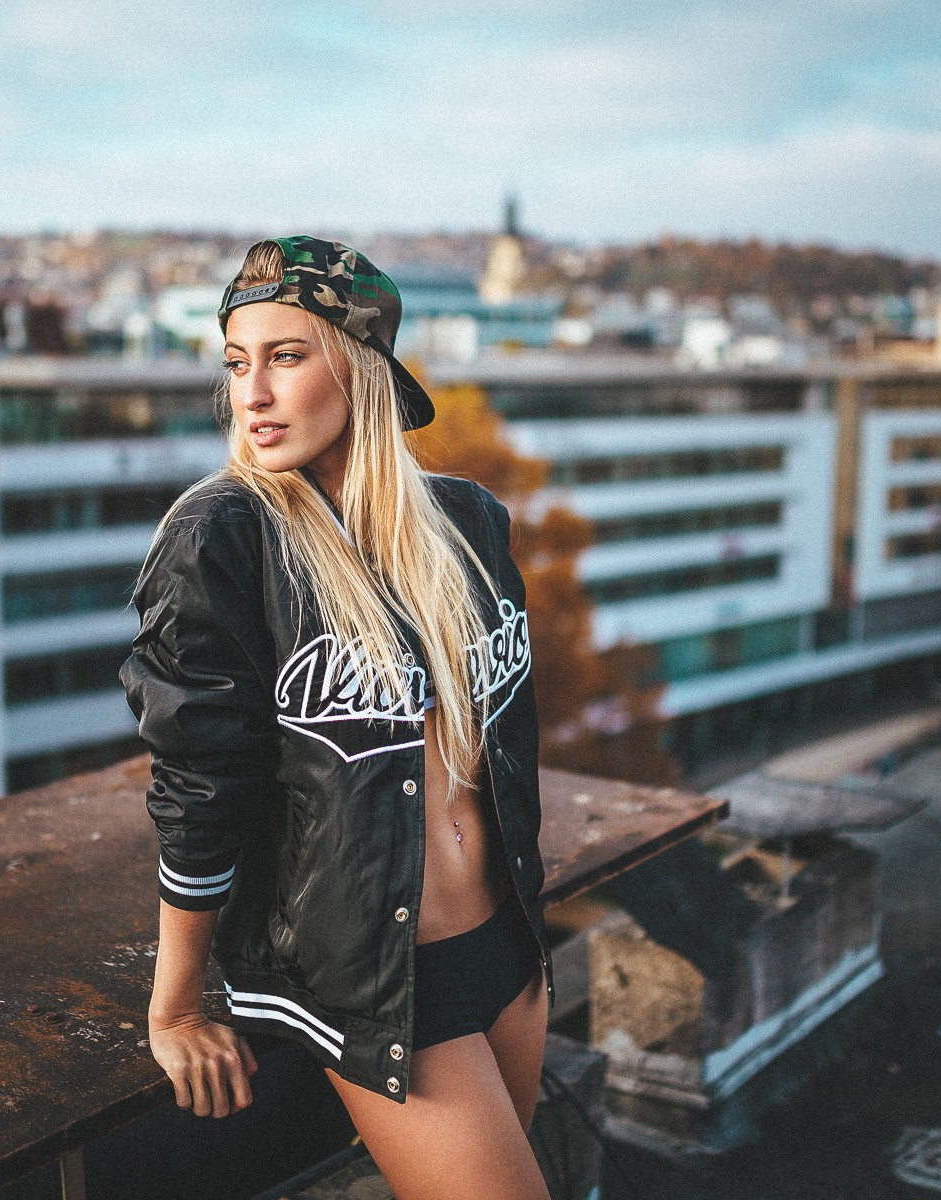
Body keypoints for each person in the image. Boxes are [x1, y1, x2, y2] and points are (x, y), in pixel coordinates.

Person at [119, 236, 553, 1198]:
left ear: (358, 367)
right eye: (238, 364)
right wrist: (177, 1005)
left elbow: (503, 749)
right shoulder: (222, 538)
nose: (252, 395)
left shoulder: (471, 523)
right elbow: (199, 787)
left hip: (512, 948)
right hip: (386, 988)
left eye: (285, 356)